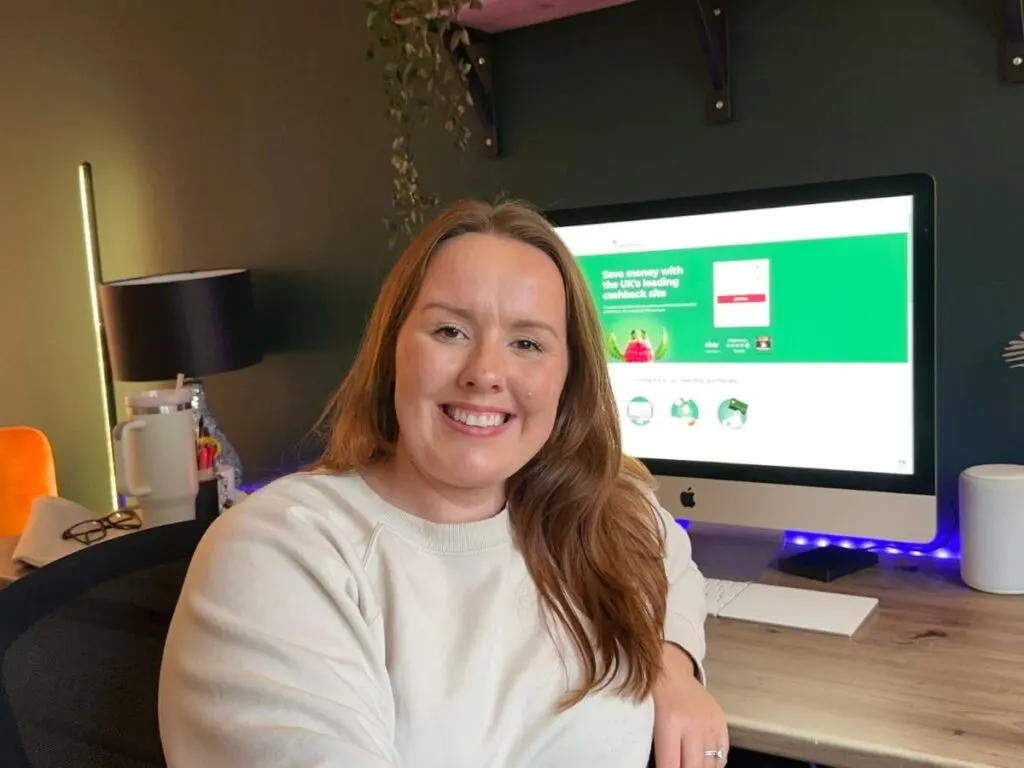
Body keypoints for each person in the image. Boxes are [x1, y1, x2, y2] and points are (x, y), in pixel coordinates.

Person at [158, 199, 729, 767]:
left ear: (568, 377)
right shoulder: (282, 549)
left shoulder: (599, 512)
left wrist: (671, 665)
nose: (485, 372)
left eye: (527, 343)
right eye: (450, 330)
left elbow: (670, 560)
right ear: (392, 352)